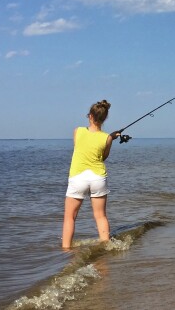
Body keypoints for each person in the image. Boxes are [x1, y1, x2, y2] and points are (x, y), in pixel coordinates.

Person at [62, 100, 123, 249]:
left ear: (90, 116)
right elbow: (103, 157)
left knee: (70, 217)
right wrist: (110, 138)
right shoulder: (107, 138)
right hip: (98, 178)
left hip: (78, 177)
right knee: (100, 216)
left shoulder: (77, 131)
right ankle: (106, 246)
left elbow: (80, 147)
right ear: (104, 118)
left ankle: (66, 250)